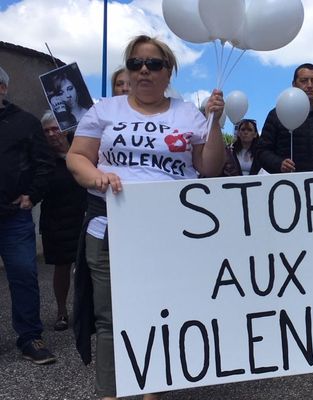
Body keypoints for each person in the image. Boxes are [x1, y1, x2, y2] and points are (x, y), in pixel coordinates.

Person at [66, 35, 225, 400]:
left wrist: (215, 122)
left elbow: (209, 168)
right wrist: (96, 177)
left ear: (168, 72)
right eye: (136, 63)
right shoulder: (105, 109)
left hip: (169, 231)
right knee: (109, 317)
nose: (143, 71)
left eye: (153, 64)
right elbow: (77, 157)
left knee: (158, 312)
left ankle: (150, 390)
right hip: (109, 226)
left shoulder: (187, 114)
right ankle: (110, 392)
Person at [0, 66, 57, 365]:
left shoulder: (26, 122)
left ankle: (30, 337)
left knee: (23, 275)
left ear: (3, 88)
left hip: (14, 216)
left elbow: (44, 163)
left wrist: (31, 196)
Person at [39, 111, 86, 332]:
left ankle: (88, 310)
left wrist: (68, 155)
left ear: (65, 129)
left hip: (82, 214)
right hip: (56, 218)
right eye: (46, 130)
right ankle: (61, 311)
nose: (51, 134)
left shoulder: (81, 150)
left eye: (55, 128)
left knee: (88, 267)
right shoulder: (42, 157)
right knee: (61, 267)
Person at [257, 63, 313, 173]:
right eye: (304, 80)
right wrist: (279, 164)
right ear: (294, 84)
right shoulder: (277, 114)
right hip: (286, 185)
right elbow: (262, 151)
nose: (309, 85)